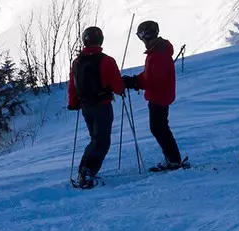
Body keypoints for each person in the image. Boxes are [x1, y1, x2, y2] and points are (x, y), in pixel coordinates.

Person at [67, 25, 127, 188]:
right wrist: (121, 88)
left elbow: (72, 86)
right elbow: (117, 86)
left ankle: (83, 171)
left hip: (86, 106)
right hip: (102, 105)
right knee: (102, 141)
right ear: (100, 40)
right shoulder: (107, 60)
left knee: (95, 139)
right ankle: (87, 172)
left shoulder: (77, 62)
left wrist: (73, 103)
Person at [124, 20, 186, 172]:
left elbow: (152, 79)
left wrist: (134, 82)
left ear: (147, 35)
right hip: (161, 93)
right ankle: (173, 159)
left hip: (159, 95)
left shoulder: (158, 54)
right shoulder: (157, 51)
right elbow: (149, 75)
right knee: (160, 127)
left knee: (158, 128)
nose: (141, 40)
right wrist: (134, 80)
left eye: (141, 36)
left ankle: (174, 160)